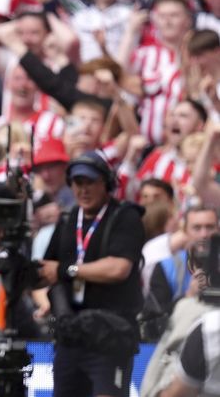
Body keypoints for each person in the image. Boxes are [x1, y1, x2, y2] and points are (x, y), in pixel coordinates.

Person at [39, 150, 145, 397]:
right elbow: (45, 270)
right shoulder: (67, 219)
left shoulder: (124, 217)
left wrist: (68, 271)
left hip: (110, 333)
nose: (83, 190)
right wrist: (46, 301)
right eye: (78, 183)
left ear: (106, 184)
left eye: (90, 183)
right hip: (71, 332)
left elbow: (119, 269)